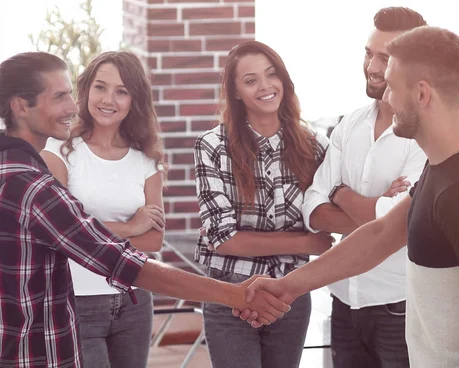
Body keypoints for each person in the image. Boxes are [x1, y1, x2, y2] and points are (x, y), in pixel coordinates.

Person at [241, 27, 459, 368]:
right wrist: (287, 287)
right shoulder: (447, 166)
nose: (386, 97)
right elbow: (379, 235)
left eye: (392, 85)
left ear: (422, 94)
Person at [0, 51, 289, 368]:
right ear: (20, 107)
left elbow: (148, 241)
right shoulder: (32, 187)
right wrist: (233, 295)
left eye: (70, 93)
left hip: (117, 308)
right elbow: (122, 260)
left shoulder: (15, 171)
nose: (72, 106)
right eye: (59, 96)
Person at [300, 7, 426, 368]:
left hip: (399, 307)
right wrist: (376, 215)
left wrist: (340, 192)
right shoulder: (349, 125)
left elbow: (400, 224)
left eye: (384, 58)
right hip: (344, 300)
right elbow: (312, 208)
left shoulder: (426, 137)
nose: (371, 66)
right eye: (369, 53)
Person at [193, 40, 332, 368]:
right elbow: (224, 239)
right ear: (236, 92)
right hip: (230, 295)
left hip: (291, 295)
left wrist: (389, 195)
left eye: (272, 75)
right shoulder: (213, 146)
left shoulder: (314, 145)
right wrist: (305, 242)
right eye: (251, 79)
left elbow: (336, 208)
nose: (266, 86)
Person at [40, 51, 164, 368]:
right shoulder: (59, 151)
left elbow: (153, 241)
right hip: (75, 300)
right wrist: (130, 227)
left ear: (134, 99)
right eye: (101, 87)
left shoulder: (146, 158)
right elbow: (57, 233)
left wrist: (88, 235)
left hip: (134, 300)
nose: (108, 99)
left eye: (121, 91)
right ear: (86, 91)